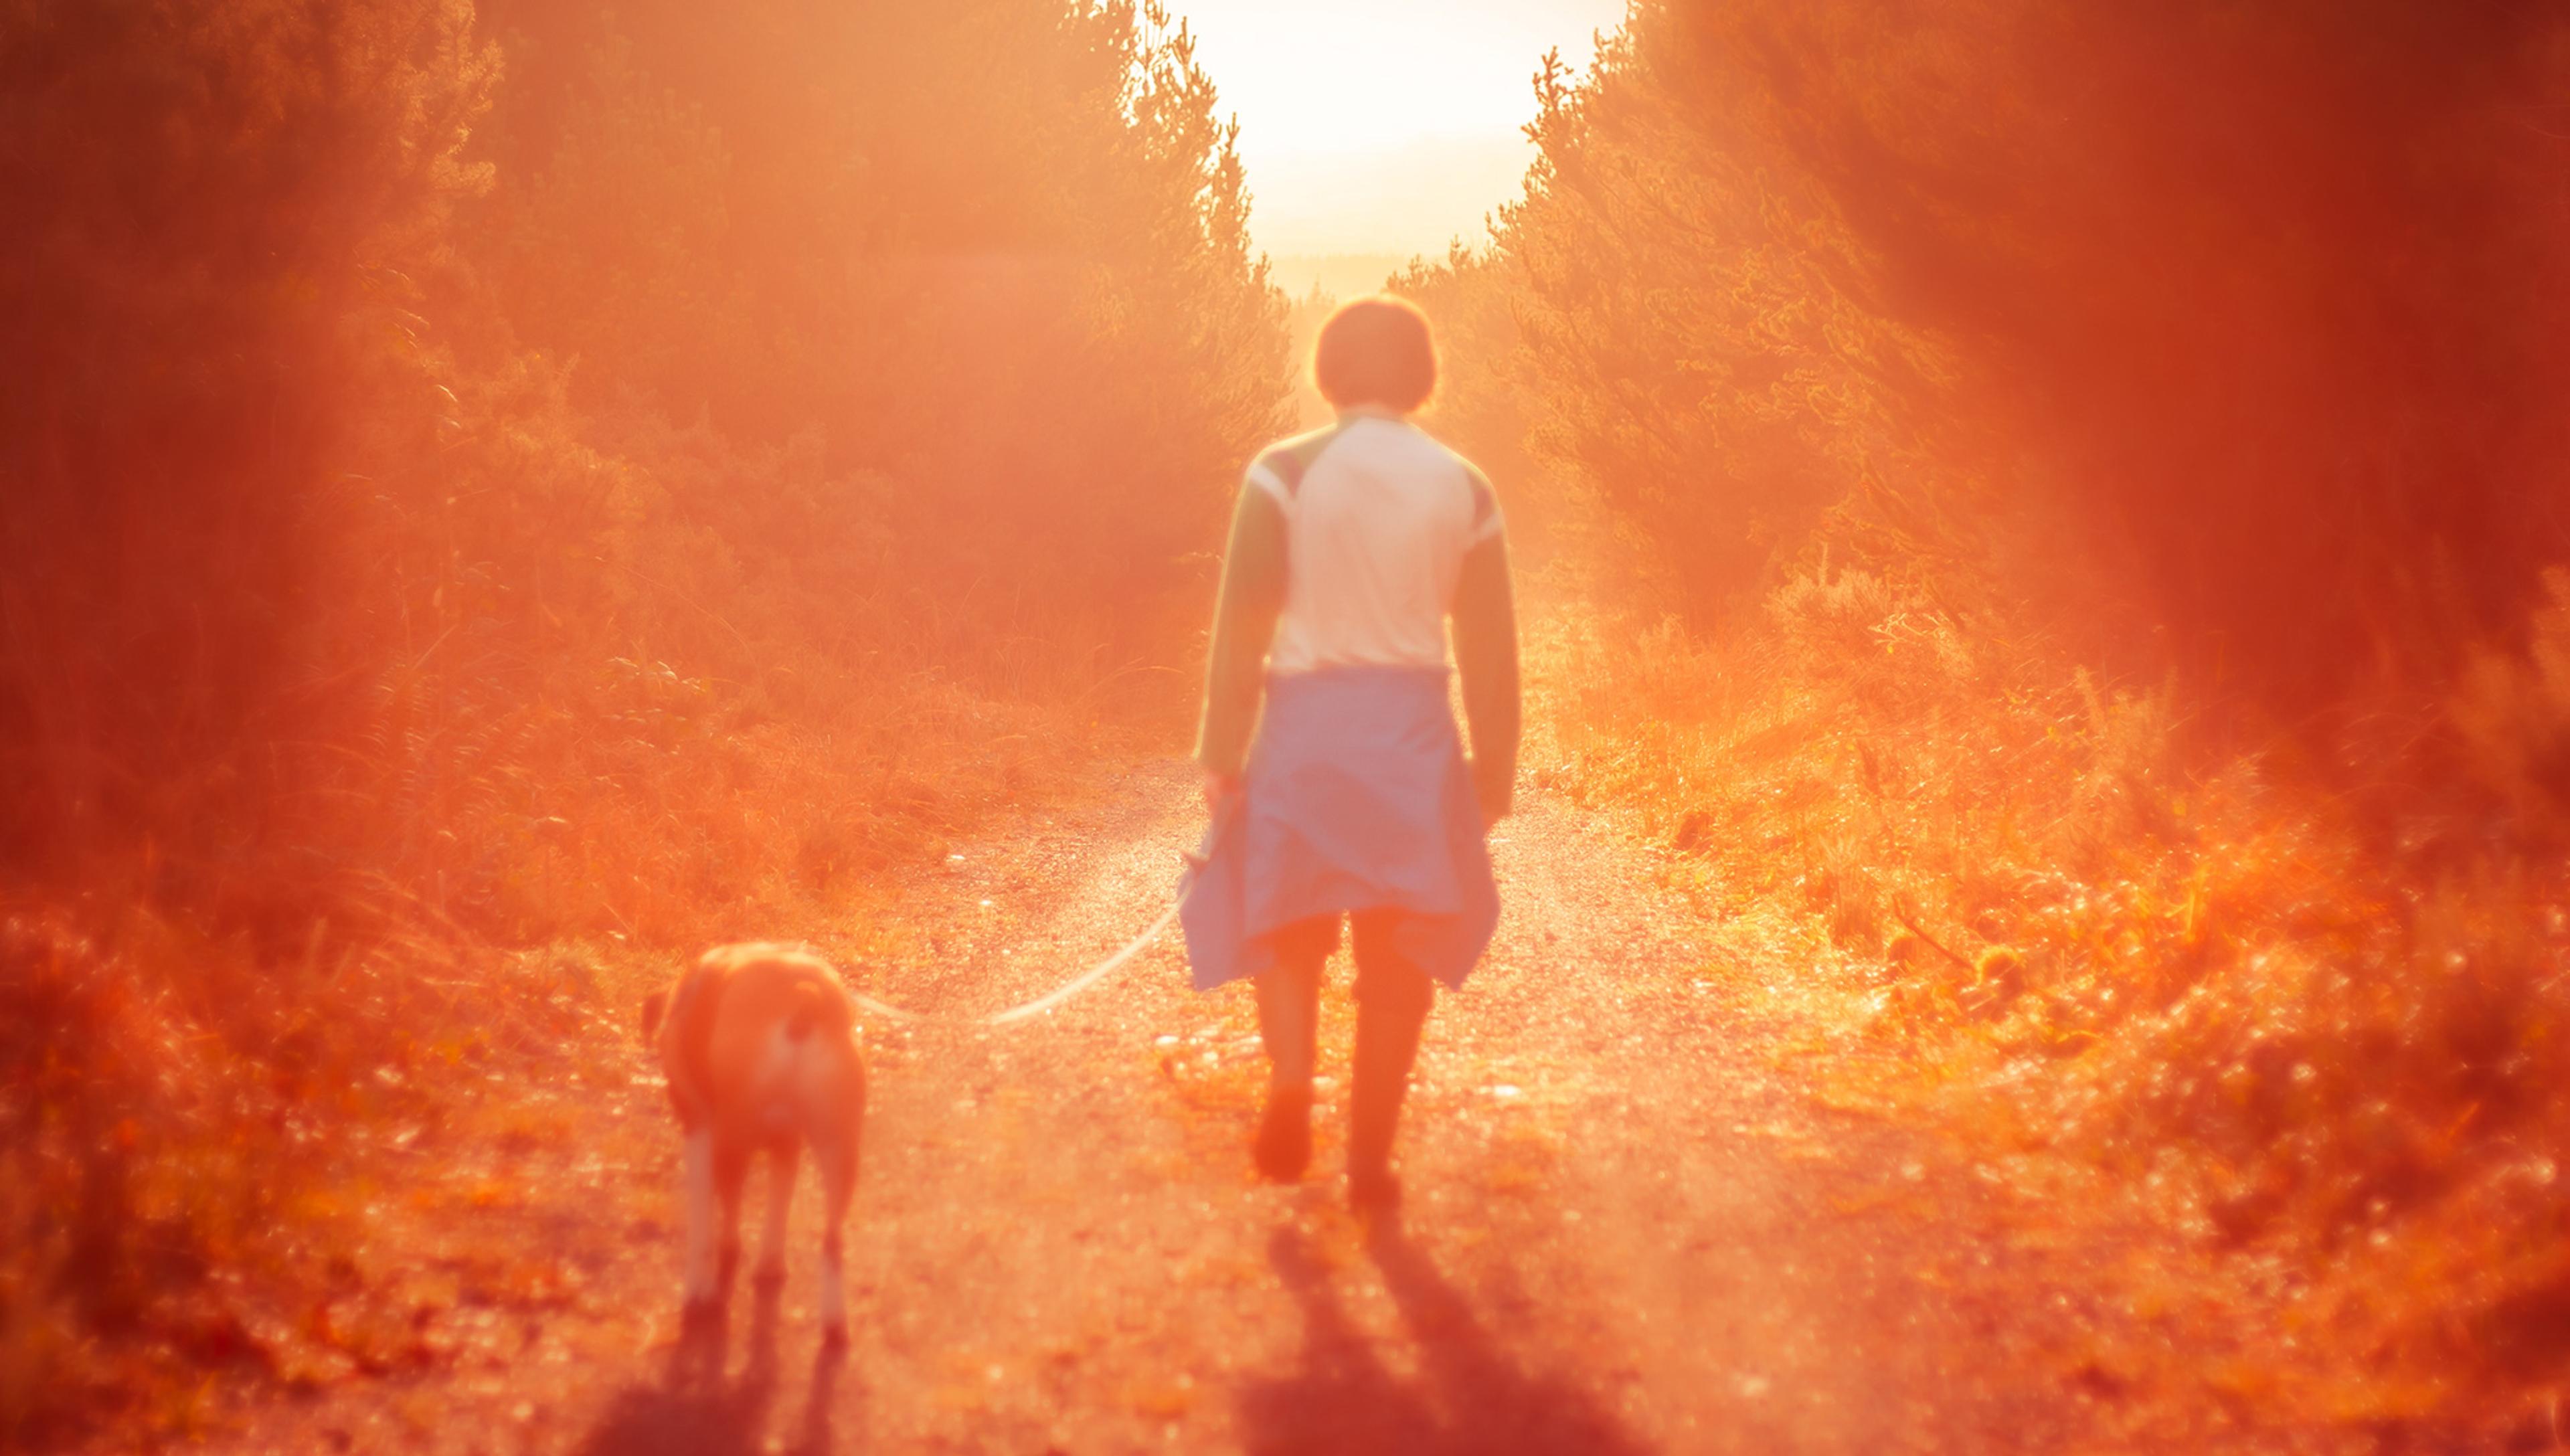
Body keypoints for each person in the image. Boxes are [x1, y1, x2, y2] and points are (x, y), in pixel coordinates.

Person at [1179, 294, 1520, 1216]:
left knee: (1289, 926)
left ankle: (1291, 1082)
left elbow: (1240, 625)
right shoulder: (1464, 485)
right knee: (1398, 950)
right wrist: (1494, 773)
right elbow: (1491, 645)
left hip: (1305, 733)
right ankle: (1369, 1163)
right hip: (1409, 735)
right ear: (1422, 374)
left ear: (1329, 372)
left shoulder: (1280, 475)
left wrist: (1222, 748)